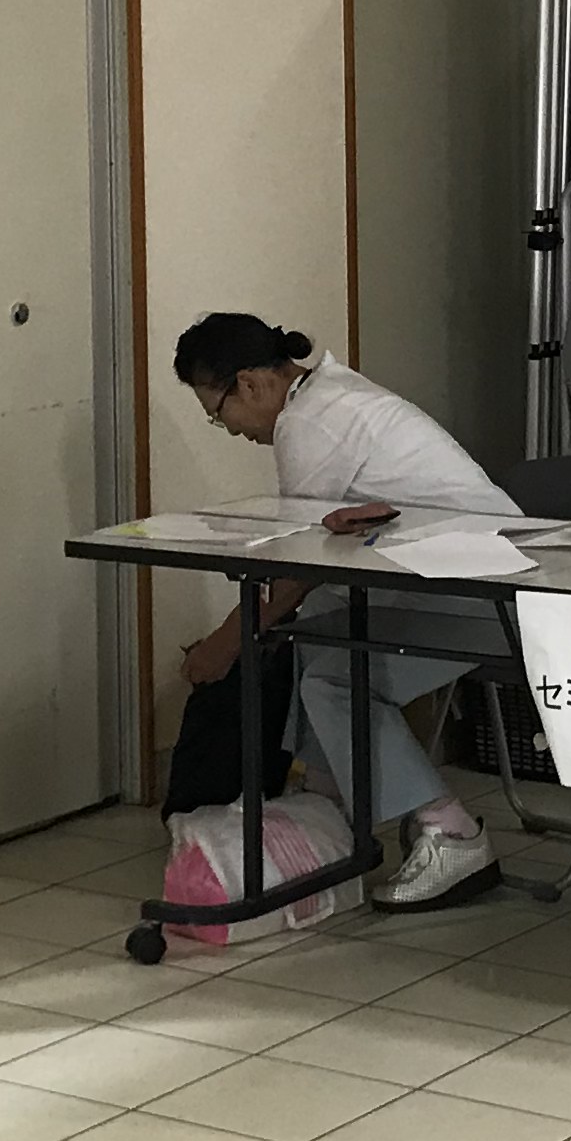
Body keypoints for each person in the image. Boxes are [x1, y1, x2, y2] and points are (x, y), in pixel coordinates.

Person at [170, 314, 508, 909]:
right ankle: (326, 811)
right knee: (321, 632)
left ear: (249, 384)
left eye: (218, 413)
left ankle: (451, 833)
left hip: (485, 596)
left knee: (334, 678)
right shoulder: (326, 396)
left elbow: (299, 567)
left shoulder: (311, 423)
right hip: (449, 581)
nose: (229, 429)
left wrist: (225, 645)